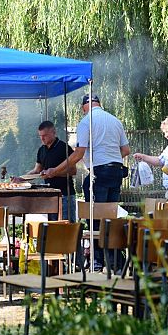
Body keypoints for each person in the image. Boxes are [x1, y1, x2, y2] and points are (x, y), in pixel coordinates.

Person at [42, 94, 130, 270]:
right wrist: (110, 159)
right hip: (116, 172)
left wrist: (54, 171)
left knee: (95, 220)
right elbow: (126, 150)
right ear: (99, 104)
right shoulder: (115, 120)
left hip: (99, 174)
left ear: (84, 107)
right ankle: (117, 264)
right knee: (110, 218)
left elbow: (78, 154)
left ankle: (97, 265)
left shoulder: (86, 122)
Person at [22, 120, 77, 222]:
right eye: (40, 136)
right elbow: (37, 170)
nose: (42, 138)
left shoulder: (64, 148)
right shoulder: (41, 150)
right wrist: (21, 179)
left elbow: (73, 171)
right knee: (53, 228)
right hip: (50, 196)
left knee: (67, 228)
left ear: (53, 132)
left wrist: (55, 173)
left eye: (45, 135)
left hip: (65, 195)